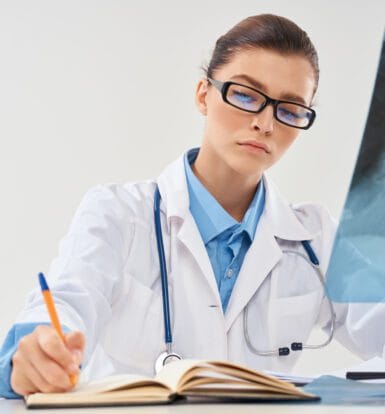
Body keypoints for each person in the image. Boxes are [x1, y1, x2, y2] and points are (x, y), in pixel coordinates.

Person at [1, 13, 384, 399]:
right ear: (204, 94)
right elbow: (66, 303)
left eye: (289, 109)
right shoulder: (119, 213)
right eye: (246, 95)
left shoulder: (315, 238)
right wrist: (34, 354)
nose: (266, 123)